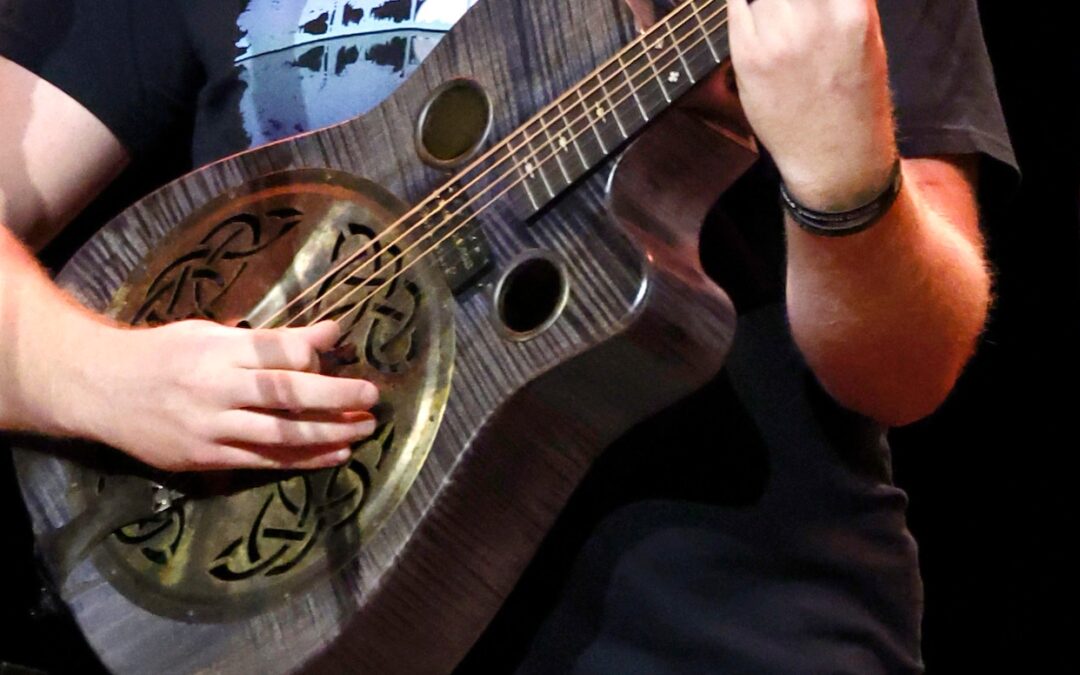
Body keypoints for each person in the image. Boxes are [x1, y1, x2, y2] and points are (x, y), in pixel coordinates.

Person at [0, 0, 1015, 672]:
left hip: (728, 633)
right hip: (277, 621)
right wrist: (95, 377)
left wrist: (844, 188)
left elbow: (907, 370)